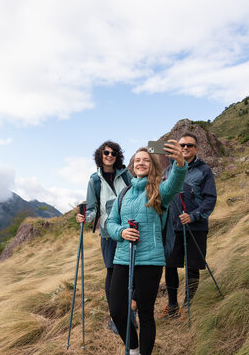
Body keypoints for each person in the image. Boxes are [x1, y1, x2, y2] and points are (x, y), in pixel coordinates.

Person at [106, 141, 187, 355]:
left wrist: (180, 163)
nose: (141, 163)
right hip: (123, 258)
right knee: (117, 310)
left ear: (152, 165)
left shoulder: (159, 190)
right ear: (133, 165)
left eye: (146, 160)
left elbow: (176, 183)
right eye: (138, 160)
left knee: (145, 312)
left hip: (150, 260)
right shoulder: (123, 194)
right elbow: (110, 223)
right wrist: (121, 232)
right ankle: (133, 348)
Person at [76, 140, 132, 333]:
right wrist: (84, 217)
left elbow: (137, 195)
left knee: (129, 272)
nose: (109, 156)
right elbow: (92, 209)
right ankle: (115, 316)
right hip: (108, 233)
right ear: (100, 155)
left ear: (118, 157)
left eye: (113, 153)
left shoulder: (125, 175)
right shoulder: (95, 180)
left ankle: (129, 312)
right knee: (112, 273)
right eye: (106, 152)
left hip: (127, 231)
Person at [160, 133, 217, 319]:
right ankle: (172, 305)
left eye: (189, 145)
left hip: (195, 228)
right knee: (169, 266)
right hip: (172, 227)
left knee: (192, 267)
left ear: (196, 149)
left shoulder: (204, 171)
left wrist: (193, 216)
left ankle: (187, 306)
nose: (185, 148)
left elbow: (210, 200)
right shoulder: (169, 170)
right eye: (182, 145)